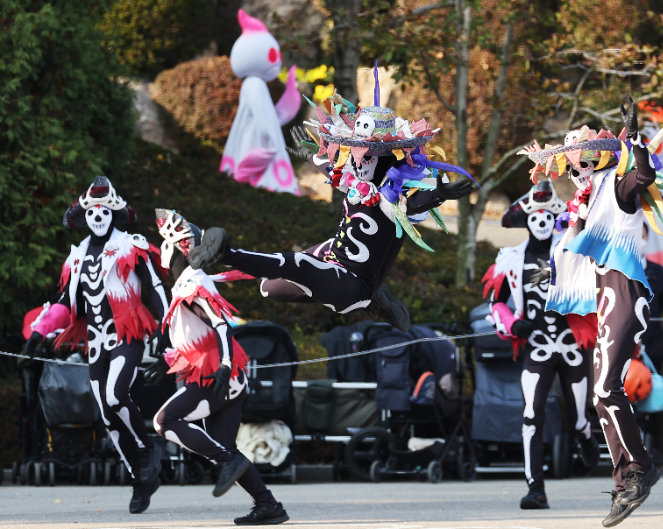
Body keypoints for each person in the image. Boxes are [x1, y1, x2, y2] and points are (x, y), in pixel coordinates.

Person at [188, 74, 475, 332]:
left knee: (297, 264)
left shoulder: (392, 198)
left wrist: (439, 193)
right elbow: (332, 171)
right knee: (268, 288)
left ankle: (225, 253)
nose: (357, 160)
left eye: (368, 156)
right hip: (333, 260)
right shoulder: (353, 179)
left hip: (353, 283)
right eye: (355, 153)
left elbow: (414, 205)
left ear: (384, 160)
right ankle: (374, 300)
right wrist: (309, 154)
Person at [518, 95, 663, 527]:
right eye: (572, 167)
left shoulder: (617, 185)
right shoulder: (586, 204)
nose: (578, 172)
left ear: (601, 161)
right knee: (601, 394)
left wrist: (638, 143)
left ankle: (638, 472)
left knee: (607, 388)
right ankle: (628, 476)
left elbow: (643, 176)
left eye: (584, 164)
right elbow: (572, 249)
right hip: (604, 296)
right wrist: (553, 275)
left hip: (626, 292)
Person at [23, 176, 168, 513]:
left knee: (116, 396)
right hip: (96, 341)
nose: (98, 215)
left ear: (113, 213)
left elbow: (156, 288)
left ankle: (147, 450)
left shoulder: (131, 246)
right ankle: (140, 478)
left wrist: (164, 325)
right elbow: (66, 304)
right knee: (105, 413)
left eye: (105, 209)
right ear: (84, 217)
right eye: (92, 211)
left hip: (127, 333)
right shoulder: (75, 258)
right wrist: (37, 334)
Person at [150, 209, 289, 526]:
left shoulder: (190, 283)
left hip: (216, 375)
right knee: (223, 448)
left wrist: (224, 366)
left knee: (165, 421)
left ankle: (229, 462)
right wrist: (166, 357)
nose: (161, 251)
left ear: (175, 247)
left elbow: (221, 327)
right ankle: (268, 505)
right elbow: (197, 334)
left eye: (163, 244)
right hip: (228, 376)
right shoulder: (191, 281)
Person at [481, 180, 599, 510]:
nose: (544, 221)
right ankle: (536, 488)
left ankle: (585, 435)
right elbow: (496, 304)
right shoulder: (510, 259)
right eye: (537, 216)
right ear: (528, 220)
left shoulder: (572, 252)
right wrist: (513, 323)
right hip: (537, 347)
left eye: (550, 215)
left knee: (577, 417)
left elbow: (594, 287)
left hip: (571, 345)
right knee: (531, 416)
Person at [637, 223, 663, 466]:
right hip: (628, 342)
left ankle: (655, 448)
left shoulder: (658, 271)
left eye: (642, 234)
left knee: (654, 395)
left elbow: (661, 303)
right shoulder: (621, 271)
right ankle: (634, 449)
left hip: (653, 342)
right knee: (628, 397)